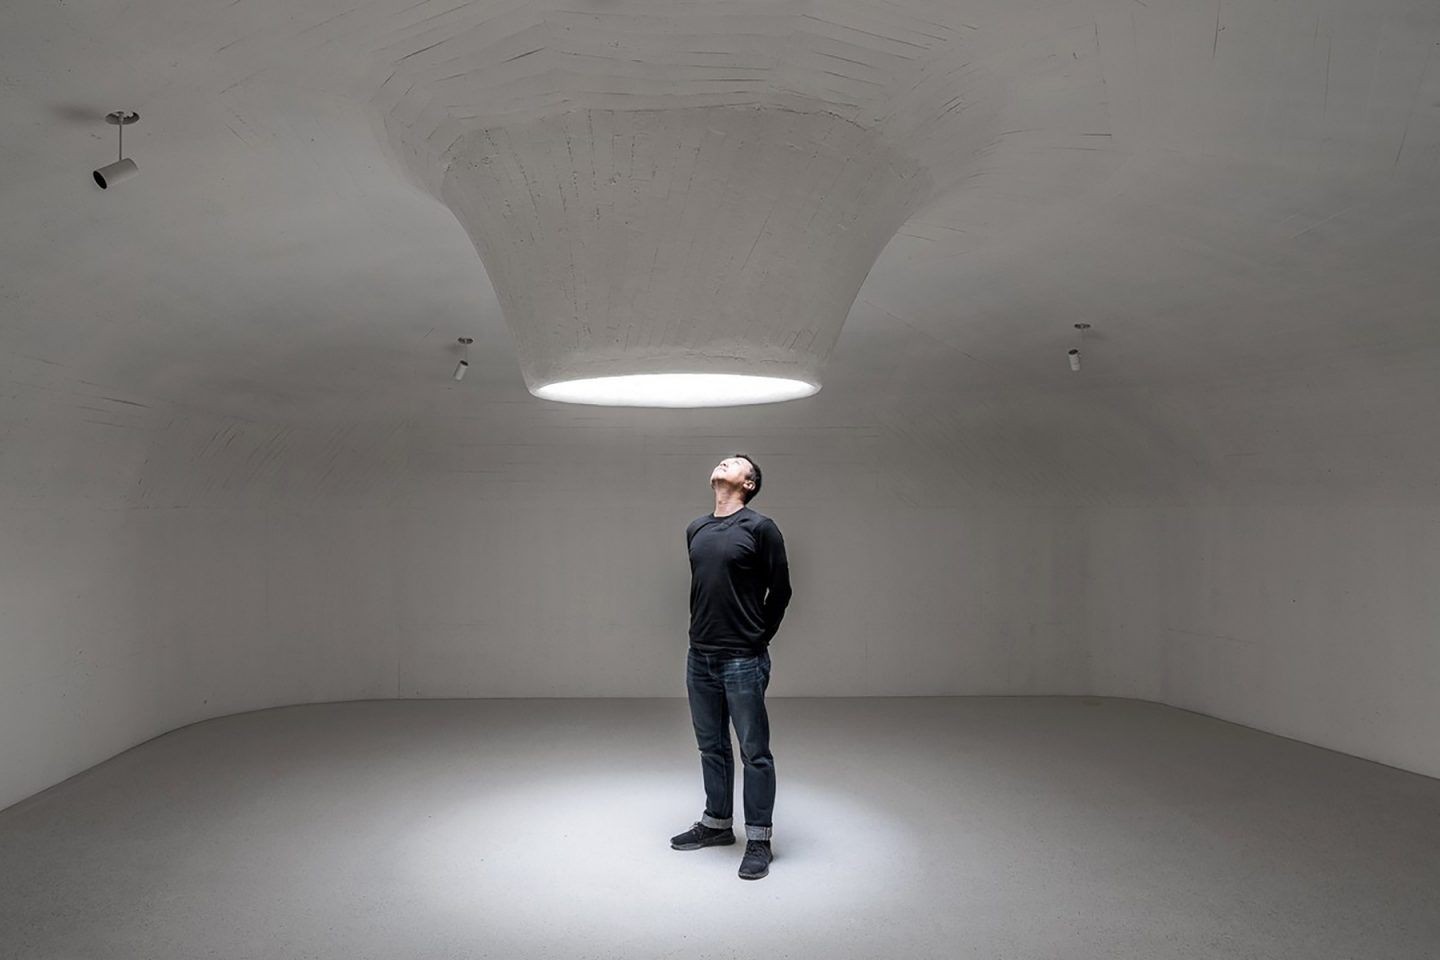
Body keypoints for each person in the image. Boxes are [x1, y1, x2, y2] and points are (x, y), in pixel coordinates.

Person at [670, 454, 793, 880]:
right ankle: (717, 825)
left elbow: (781, 589)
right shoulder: (696, 528)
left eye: (735, 463)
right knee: (711, 746)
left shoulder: (761, 529)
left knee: (753, 751)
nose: (723, 463)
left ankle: (758, 839)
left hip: (743, 657)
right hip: (699, 655)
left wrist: (759, 637)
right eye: (722, 460)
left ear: (749, 484)